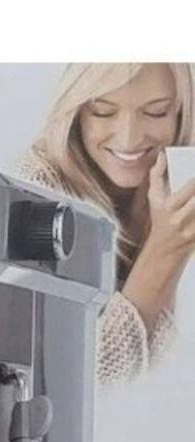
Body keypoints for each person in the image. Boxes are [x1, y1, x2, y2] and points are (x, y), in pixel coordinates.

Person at [18, 63, 195, 385]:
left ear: (181, 114)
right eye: (103, 111)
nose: (129, 138)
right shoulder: (35, 191)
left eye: (156, 112)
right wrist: (165, 250)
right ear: (76, 113)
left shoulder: (177, 179)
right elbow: (77, 378)